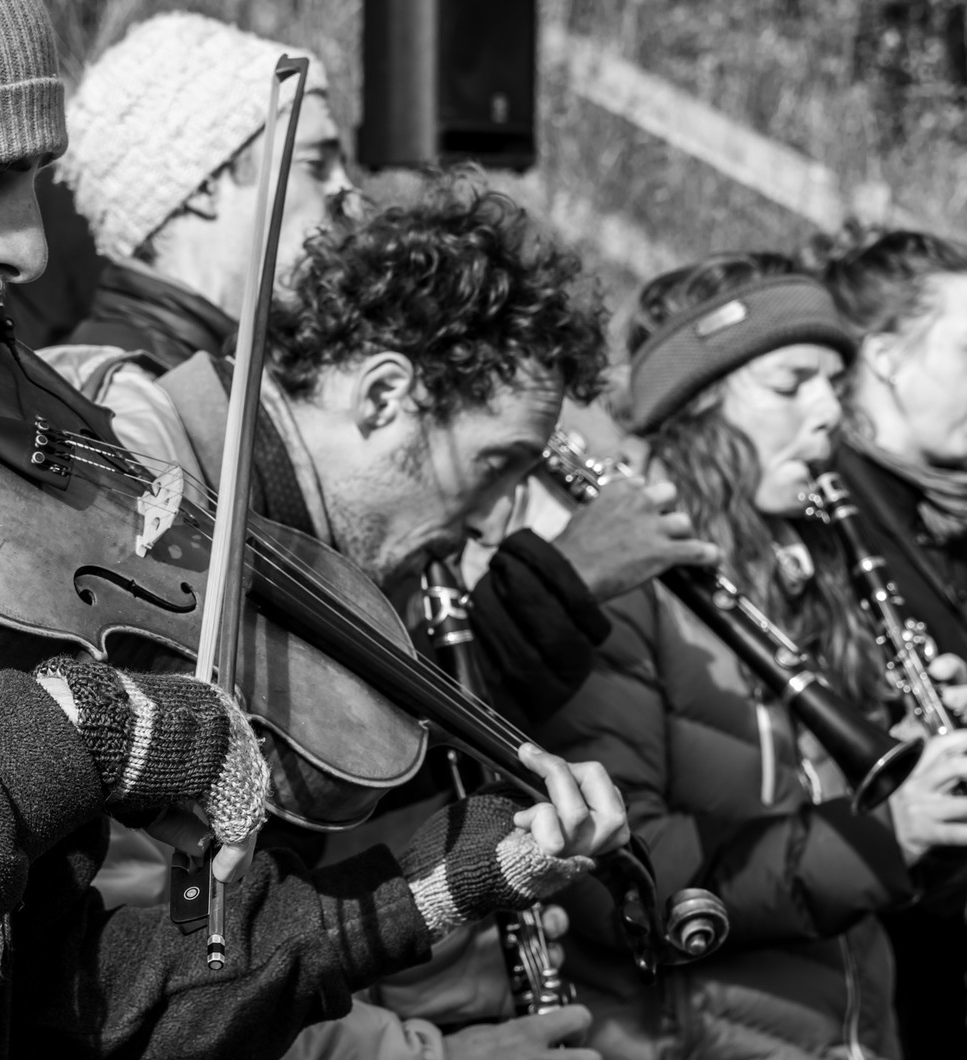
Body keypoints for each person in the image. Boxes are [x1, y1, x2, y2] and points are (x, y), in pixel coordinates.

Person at [0, 2, 628, 1060]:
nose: (30, 245)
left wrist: (413, 896)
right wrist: (58, 734)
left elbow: (50, 1004)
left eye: (35, 179)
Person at [43, 14, 713, 730]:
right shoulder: (128, 405)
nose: (351, 199)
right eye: (317, 163)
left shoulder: (262, 390)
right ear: (203, 187)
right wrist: (552, 591)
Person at [531, 253, 967, 1060]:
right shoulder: (627, 589)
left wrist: (925, 780)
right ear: (698, 403)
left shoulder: (817, 570)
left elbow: (844, 853)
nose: (832, 410)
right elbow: (615, 876)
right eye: (794, 383)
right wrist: (878, 836)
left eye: (835, 382)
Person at [816, 227, 967, 1060]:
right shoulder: (834, 516)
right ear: (883, 356)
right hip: (900, 963)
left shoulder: (965, 509)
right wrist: (957, 882)